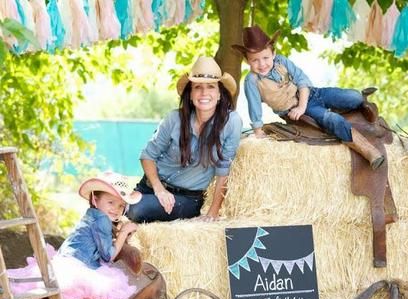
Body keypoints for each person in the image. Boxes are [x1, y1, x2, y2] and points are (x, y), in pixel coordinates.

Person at [232, 25, 384, 170]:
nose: (262, 64)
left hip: (311, 94)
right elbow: (254, 107)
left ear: (273, 53)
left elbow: (302, 81)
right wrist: (258, 131)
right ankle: (369, 151)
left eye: (265, 57)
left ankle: (359, 101)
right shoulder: (252, 81)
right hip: (297, 110)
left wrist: (302, 105)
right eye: (255, 60)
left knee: (354, 96)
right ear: (247, 61)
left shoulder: (281, 61)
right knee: (332, 120)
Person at [127, 56, 243, 223]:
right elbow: (147, 156)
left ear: (219, 94)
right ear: (190, 94)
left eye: (211, 87)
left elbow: (223, 171)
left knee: (136, 209)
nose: (204, 93)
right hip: (151, 187)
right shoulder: (174, 118)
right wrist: (159, 190)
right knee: (109, 203)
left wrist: (213, 212)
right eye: (198, 87)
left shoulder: (231, 122)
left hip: (187, 199)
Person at [7, 171, 141, 299]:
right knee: (113, 292)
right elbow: (108, 256)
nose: (116, 209)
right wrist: (123, 232)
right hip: (78, 265)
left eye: (121, 205)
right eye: (111, 202)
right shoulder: (102, 219)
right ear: (95, 199)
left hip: (65, 260)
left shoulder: (92, 213)